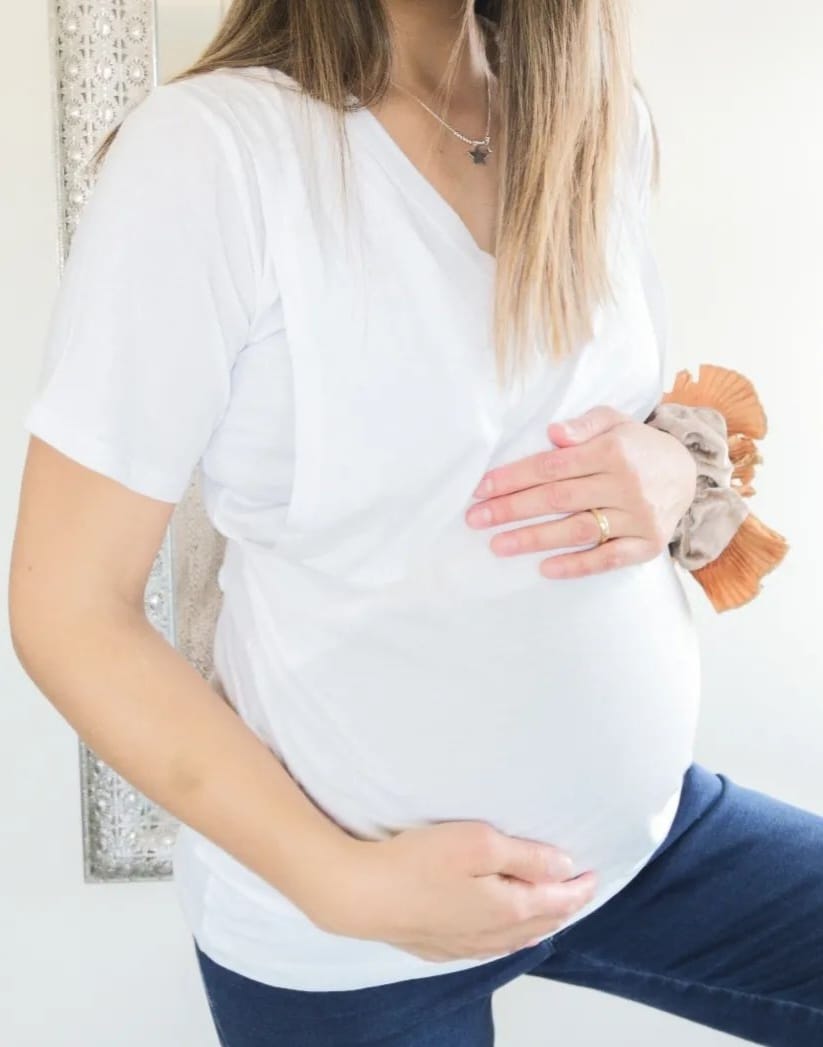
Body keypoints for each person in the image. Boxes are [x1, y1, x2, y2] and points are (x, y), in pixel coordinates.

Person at [9, 1, 822, 1044]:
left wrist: (674, 468)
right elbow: (68, 609)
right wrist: (341, 884)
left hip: (637, 843)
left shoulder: (599, 123)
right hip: (347, 936)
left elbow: (551, 418)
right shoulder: (211, 157)